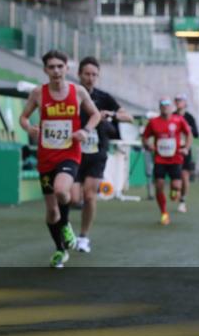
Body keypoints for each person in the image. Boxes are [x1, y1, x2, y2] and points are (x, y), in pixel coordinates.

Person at [20, 50, 101, 268]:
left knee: (61, 191)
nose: (56, 71)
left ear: (67, 68)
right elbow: (24, 117)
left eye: (60, 66)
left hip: (69, 153)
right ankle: (60, 249)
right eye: (51, 67)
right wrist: (29, 127)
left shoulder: (78, 91)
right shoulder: (38, 93)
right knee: (51, 211)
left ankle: (66, 225)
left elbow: (96, 115)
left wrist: (85, 130)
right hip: (46, 156)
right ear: (45, 70)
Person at [71, 56, 133, 253]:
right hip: (72, 152)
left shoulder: (103, 97)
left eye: (94, 75)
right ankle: (66, 231)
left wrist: (111, 114)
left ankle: (83, 237)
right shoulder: (70, 94)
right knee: (72, 198)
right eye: (87, 74)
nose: (90, 78)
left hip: (96, 153)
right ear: (79, 74)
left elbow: (128, 116)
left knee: (90, 196)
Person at [142, 98, 193, 226]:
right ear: (159, 107)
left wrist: (186, 147)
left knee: (176, 187)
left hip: (175, 158)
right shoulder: (153, 122)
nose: (165, 107)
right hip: (159, 159)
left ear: (171, 107)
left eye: (167, 105)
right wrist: (148, 146)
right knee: (159, 186)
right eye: (163, 105)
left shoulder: (179, 120)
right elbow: (145, 136)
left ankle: (174, 191)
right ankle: (164, 213)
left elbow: (189, 134)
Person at [174, 94, 199, 213]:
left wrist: (188, 129)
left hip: (185, 150)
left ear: (185, 103)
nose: (178, 102)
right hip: (172, 151)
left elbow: (196, 134)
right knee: (174, 177)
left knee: (184, 177)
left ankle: (183, 201)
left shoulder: (189, 118)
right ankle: (175, 191)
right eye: (177, 100)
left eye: (180, 100)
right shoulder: (171, 116)